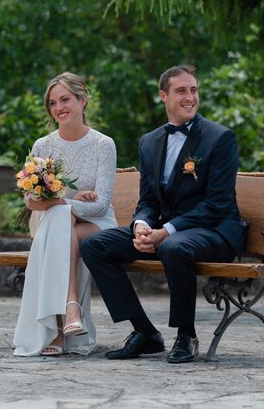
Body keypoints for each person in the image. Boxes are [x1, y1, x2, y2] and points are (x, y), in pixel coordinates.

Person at [80, 65, 246, 363]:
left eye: (193, 90)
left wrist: (165, 231)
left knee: (173, 245)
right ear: (163, 96)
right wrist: (142, 225)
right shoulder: (150, 141)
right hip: (166, 232)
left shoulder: (220, 139)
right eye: (181, 91)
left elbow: (217, 204)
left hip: (215, 231)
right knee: (95, 245)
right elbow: (148, 200)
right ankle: (145, 333)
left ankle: (186, 335)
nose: (189, 97)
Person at [13, 72, 117, 357]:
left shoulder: (103, 145)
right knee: (60, 222)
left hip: (98, 226)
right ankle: (72, 308)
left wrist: (62, 203)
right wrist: (66, 202)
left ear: (83, 101)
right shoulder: (42, 146)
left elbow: (100, 205)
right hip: (60, 227)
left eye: (65, 99)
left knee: (59, 221)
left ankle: (58, 327)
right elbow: (32, 202)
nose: (59, 107)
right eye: (52, 102)